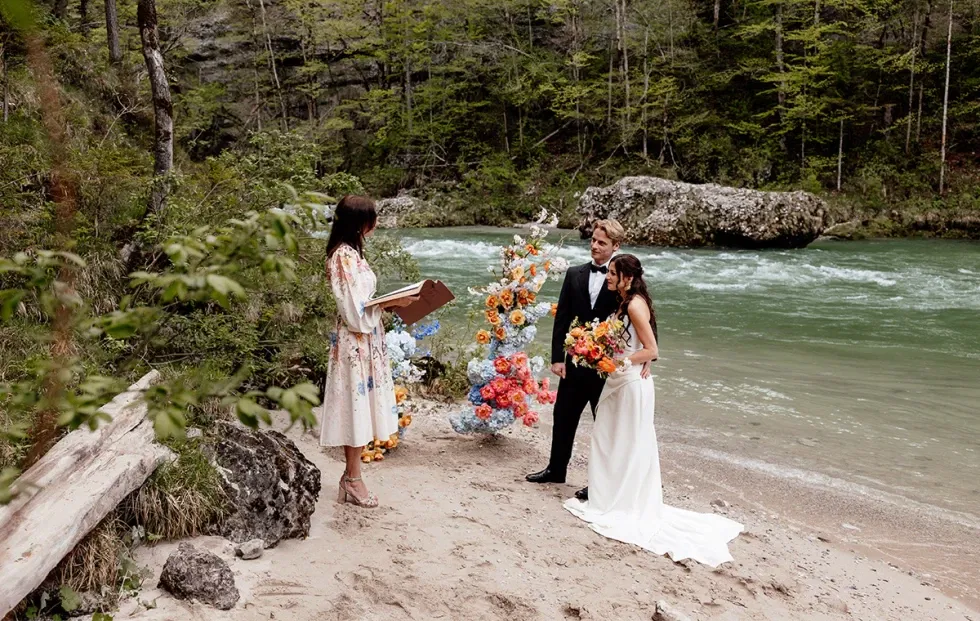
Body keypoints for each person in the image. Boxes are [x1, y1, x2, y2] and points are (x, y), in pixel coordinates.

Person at [563, 254, 743, 567]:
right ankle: (610, 495)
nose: (607, 277)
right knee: (612, 440)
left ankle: (619, 503)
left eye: (613, 274)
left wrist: (619, 362)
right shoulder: (628, 301)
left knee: (625, 442)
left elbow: (652, 349)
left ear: (626, 278)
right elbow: (635, 342)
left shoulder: (634, 304)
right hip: (622, 380)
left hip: (631, 384)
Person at [318, 195, 416, 508]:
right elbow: (354, 312)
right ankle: (353, 479)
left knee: (360, 407)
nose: (375, 223)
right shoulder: (344, 256)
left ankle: (352, 477)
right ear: (360, 223)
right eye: (371, 218)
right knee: (355, 408)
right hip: (354, 342)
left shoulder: (351, 253)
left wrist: (391, 303)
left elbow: (361, 305)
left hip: (364, 339)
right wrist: (392, 303)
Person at [526, 219, 624, 500]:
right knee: (563, 417)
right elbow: (562, 318)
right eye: (593, 240)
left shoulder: (622, 278)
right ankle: (556, 470)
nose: (594, 245)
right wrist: (557, 358)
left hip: (605, 368)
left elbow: (630, 321)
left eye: (602, 242)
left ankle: (600, 484)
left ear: (616, 246)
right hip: (574, 362)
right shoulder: (574, 274)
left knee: (604, 425)